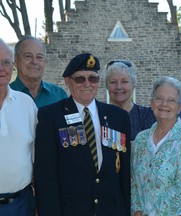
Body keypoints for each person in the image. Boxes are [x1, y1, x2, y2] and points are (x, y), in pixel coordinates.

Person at [34, 53, 131, 216]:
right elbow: (45, 178)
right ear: (68, 81)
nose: (87, 84)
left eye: (93, 78)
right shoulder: (50, 116)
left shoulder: (117, 117)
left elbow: (124, 175)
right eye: (80, 79)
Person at [131, 76, 181, 216]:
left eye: (171, 100)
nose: (164, 104)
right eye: (159, 98)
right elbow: (134, 181)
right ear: (151, 103)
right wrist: (137, 210)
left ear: (179, 107)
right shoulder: (140, 139)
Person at [0, 39, 37, 215]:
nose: (2, 68)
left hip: (20, 205)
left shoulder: (26, 104)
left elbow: (37, 153)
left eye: (6, 63)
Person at [10, 35, 67, 108]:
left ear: (45, 62)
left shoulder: (59, 95)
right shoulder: (4, 95)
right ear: (16, 60)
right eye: (28, 56)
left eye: (39, 57)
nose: (34, 62)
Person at [104, 60, 156, 140]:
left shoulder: (147, 116)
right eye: (113, 82)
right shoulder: (99, 116)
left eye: (124, 81)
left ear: (133, 84)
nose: (119, 87)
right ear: (106, 85)